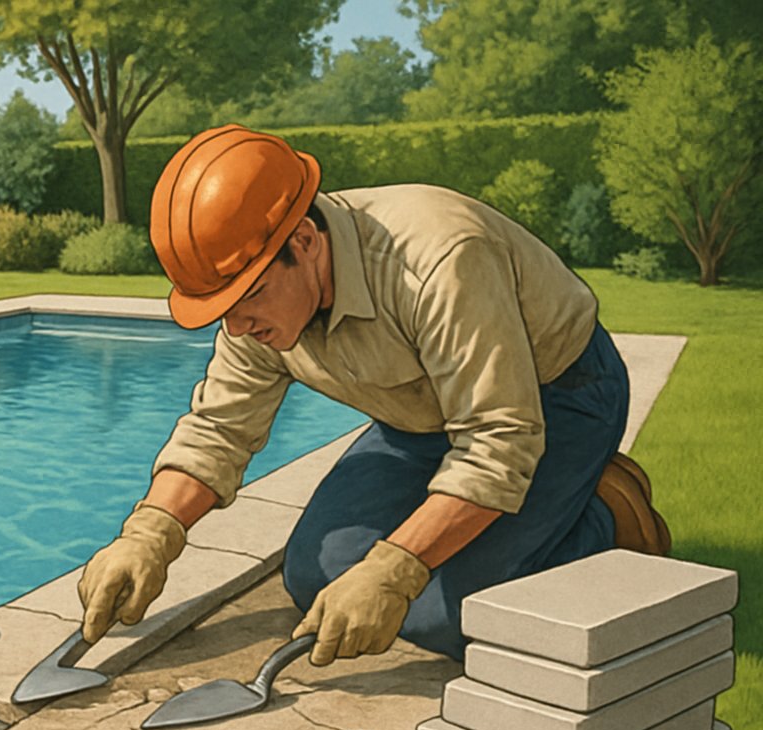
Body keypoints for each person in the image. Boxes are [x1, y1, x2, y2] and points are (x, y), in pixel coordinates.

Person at [78, 126, 669, 665]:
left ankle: (606, 516)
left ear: (305, 241)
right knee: (317, 577)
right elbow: (220, 430)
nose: (235, 327)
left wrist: (395, 570)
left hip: (552, 400)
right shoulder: (257, 312)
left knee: (444, 611)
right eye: (221, 309)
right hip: (420, 422)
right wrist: (150, 534)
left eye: (249, 297)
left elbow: (499, 442)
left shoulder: (438, 259)